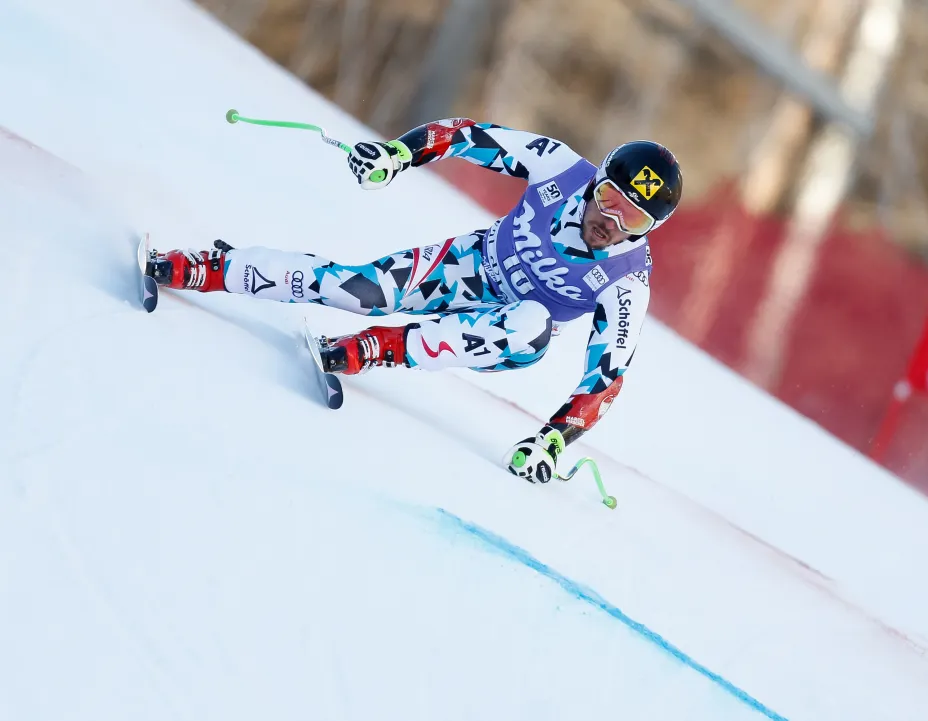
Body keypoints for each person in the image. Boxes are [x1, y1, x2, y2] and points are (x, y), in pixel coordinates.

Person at [143, 118, 682, 484]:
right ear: (597, 181)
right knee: (359, 290)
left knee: (531, 326)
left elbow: (607, 374)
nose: (609, 221)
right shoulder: (561, 168)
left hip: (509, 329)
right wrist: (399, 154)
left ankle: (372, 350)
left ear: (649, 230)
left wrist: (552, 442)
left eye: (632, 218)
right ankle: (208, 267)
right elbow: (467, 135)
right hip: (468, 267)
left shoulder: (628, 281)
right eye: (610, 197)